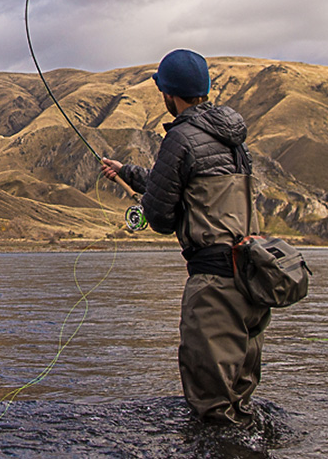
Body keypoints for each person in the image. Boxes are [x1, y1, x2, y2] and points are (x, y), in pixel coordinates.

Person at [100, 49, 270, 424]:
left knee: (211, 406)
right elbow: (193, 184)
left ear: (168, 93)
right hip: (253, 279)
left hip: (214, 286)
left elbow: (161, 216)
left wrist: (145, 204)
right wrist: (127, 172)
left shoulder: (181, 137)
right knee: (240, 400)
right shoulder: (233, 138)